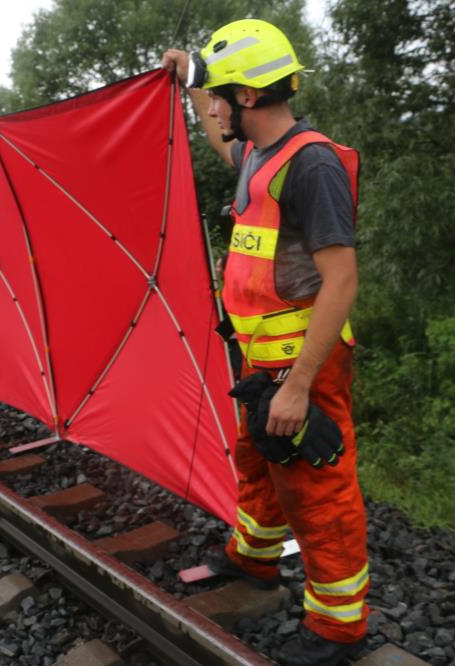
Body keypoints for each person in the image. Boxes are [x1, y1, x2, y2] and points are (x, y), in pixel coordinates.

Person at [163, 19, 368, 666]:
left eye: (222, 95)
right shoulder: (256, 155)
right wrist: (189, 82)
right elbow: (218, 137)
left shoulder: (313, 165)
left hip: (306, 365)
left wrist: (300, 385)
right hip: (261, 359)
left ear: (249, 98)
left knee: (317, 489)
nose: (216, 107)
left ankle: (339, 627)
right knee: (256, 461)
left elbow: (342, 280)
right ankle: (253, 562)